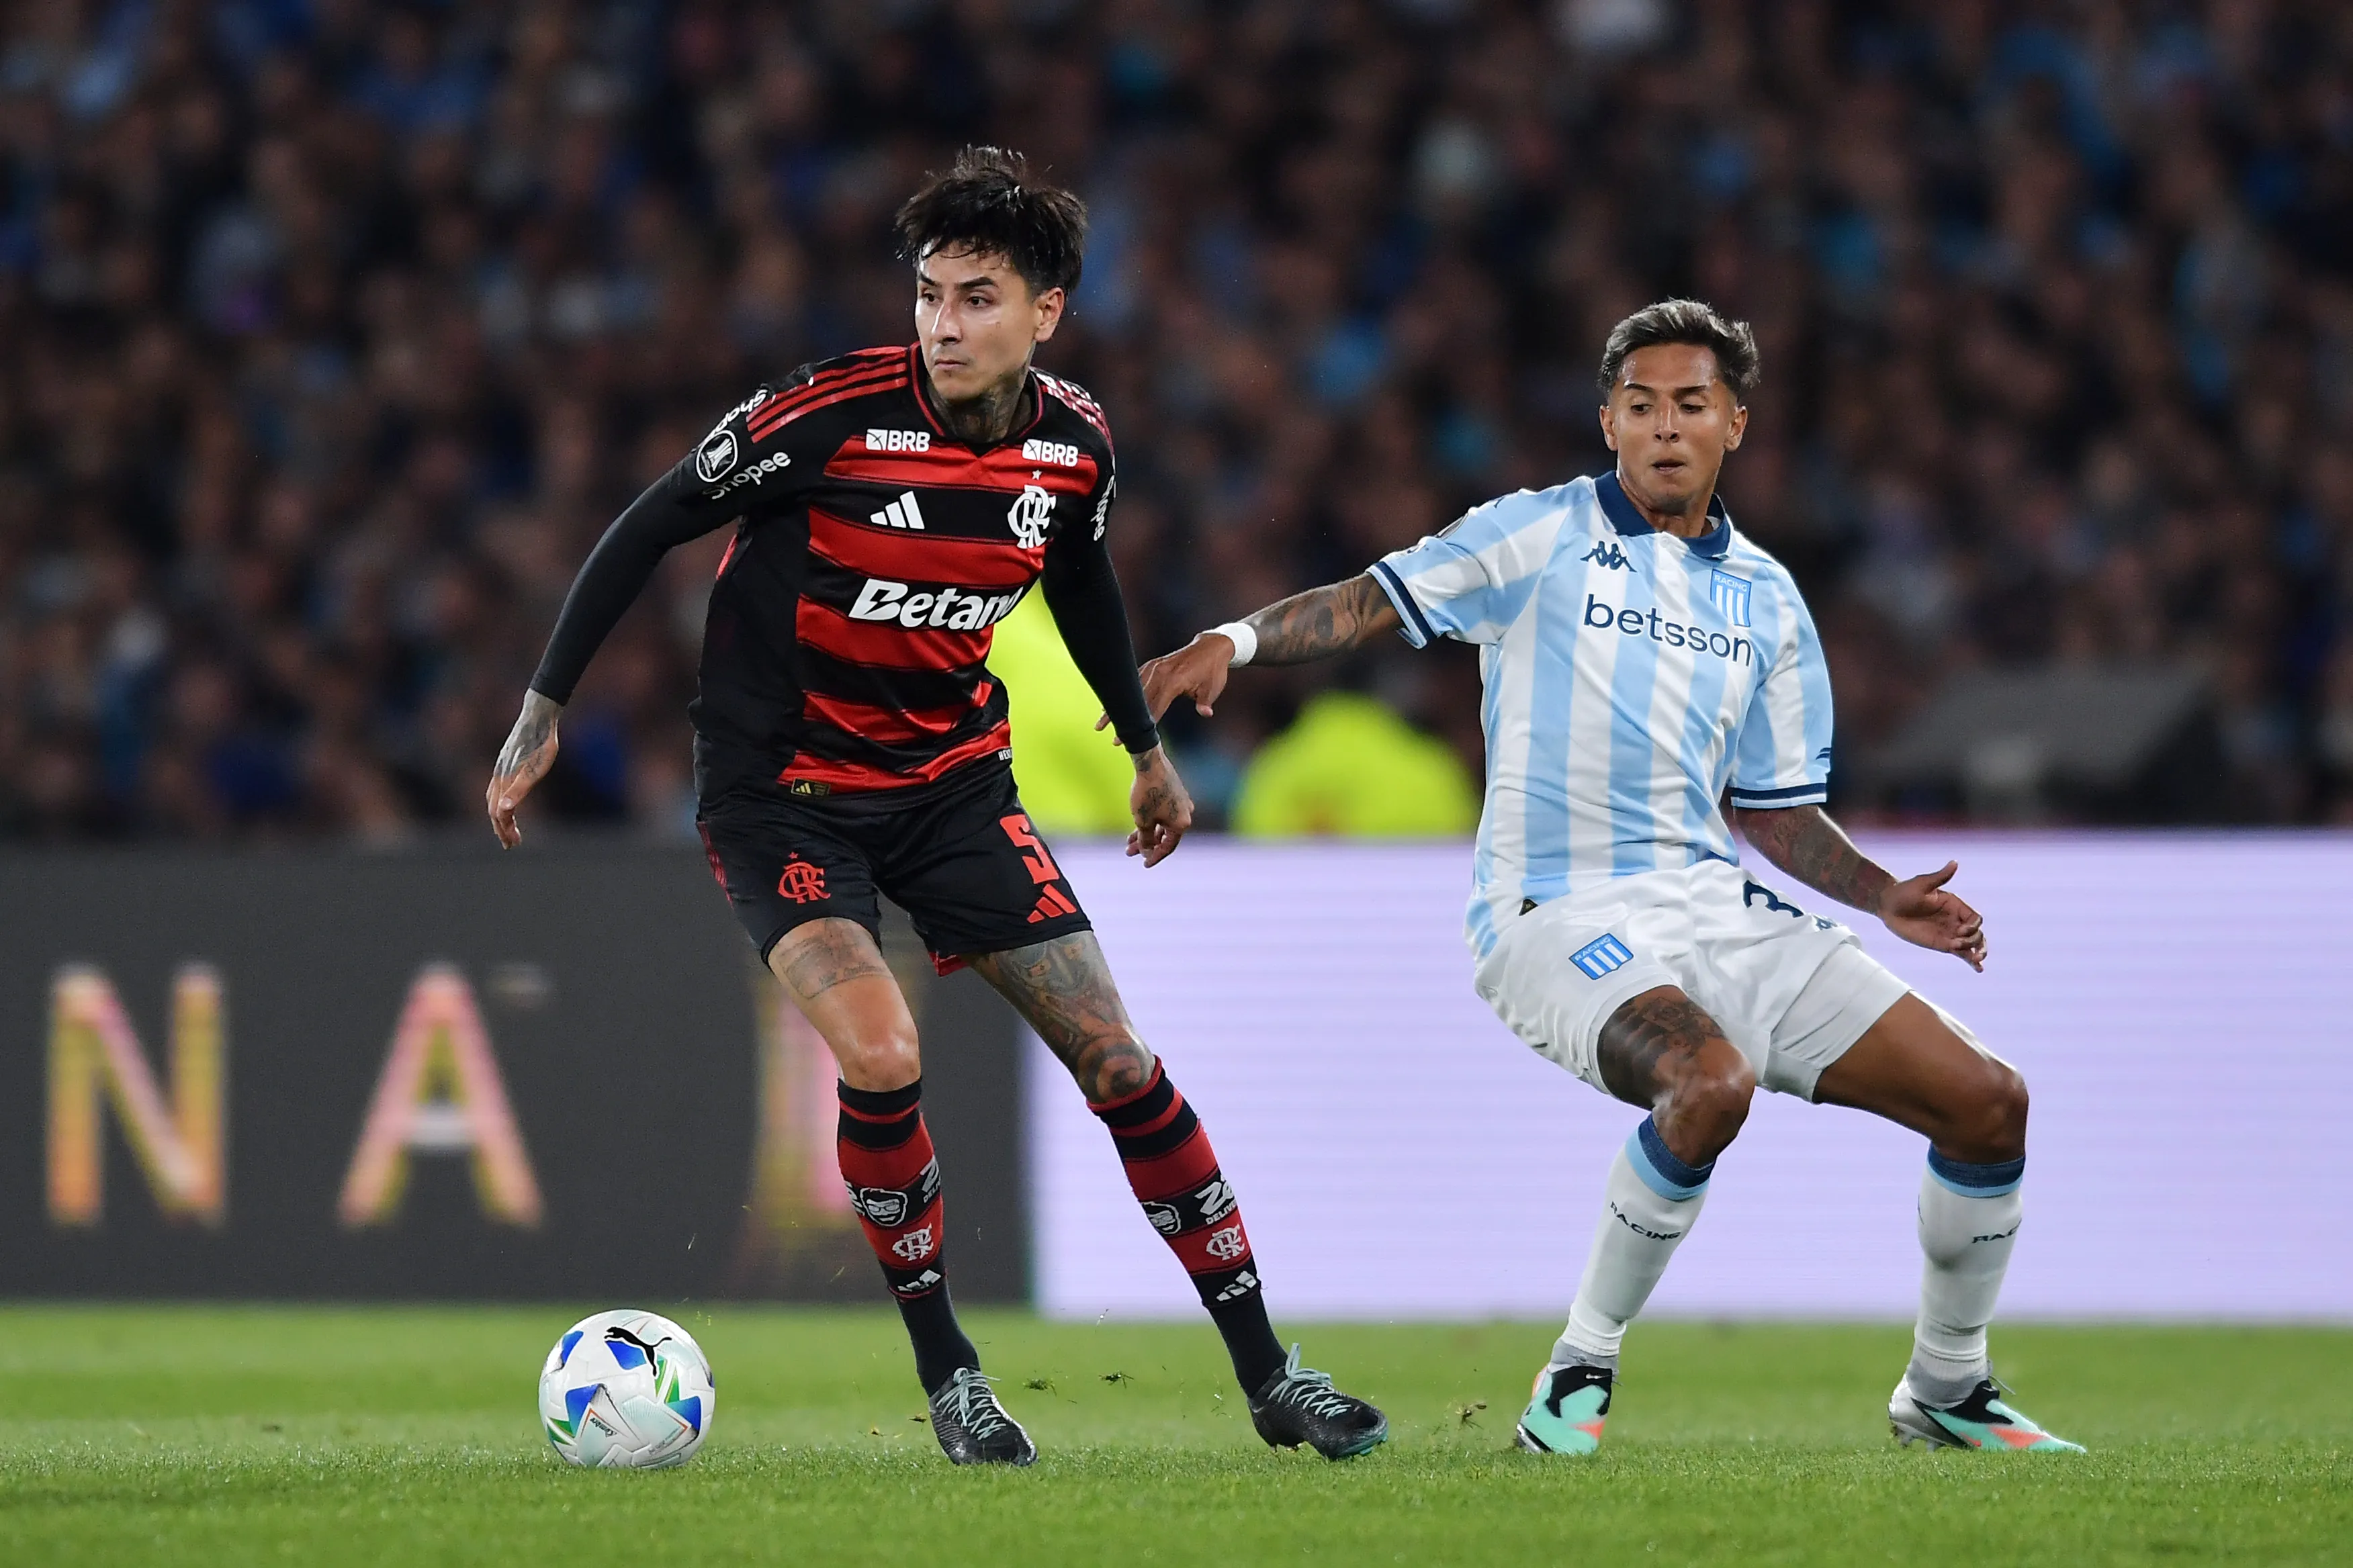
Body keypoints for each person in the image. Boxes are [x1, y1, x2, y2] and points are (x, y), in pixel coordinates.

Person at [483, 147, 1385, 1466]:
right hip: (783, 798)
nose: (943, 326)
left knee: (1121, 1063)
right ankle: (951, 1375)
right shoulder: (823, 419)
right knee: (884, 1053)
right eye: (928, 296)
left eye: (975, 299)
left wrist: (1142, 749)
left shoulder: (1072, 447)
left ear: (1045, 313)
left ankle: (1270, 1377)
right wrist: (543, 707)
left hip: (951, 788)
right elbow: (647, 523)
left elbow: (1080, 584)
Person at [1133, 299, 2081, 1456]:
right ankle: (1576, 1373)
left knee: (1990, 1101)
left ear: (1735, 421)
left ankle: (1946, 1385)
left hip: (1714, 905)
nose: (1664, 429)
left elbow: (1773, 810)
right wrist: (1230, 639)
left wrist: (1878, 892)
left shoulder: (1768, 600)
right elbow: (1370, 599)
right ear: (1607, 423)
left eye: (1690, 405)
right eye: (1640, 407)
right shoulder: (1538, 535)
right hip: (1551, 910)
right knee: (1707, 1081)